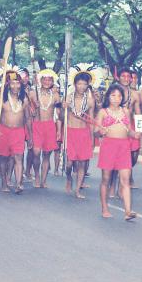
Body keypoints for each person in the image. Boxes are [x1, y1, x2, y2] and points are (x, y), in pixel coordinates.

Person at [94, 84, 140, 220]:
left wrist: (135, 134)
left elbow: (129, 130)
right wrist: (100, 131)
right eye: (113, 95)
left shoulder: (126, 111)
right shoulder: (103, 112)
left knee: (125, 179)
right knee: (106, 179)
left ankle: (128, 211)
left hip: (124, 147)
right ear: (108, 96)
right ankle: (104, 208)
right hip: (108, 146)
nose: (116, 98)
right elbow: (95, 132)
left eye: (119, 95)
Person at [0, 70, 33, 194]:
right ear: (8, 85)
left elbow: (27, 118)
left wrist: (30, 136)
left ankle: (19, 183)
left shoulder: (24, 100)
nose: (15, 86)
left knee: (18, 157)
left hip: (18, 132)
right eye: (12, 83)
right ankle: (4, 183)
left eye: (17, 83)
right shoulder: (2, 99)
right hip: (3, 131)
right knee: (3, 159)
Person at [64, 71, 96, 199]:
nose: (82, 86)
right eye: (79, 84)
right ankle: (68, 178)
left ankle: (77, 190)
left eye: (84, 84)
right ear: (75, 84)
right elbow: (62, 116)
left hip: (84, 133)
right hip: (71, 131)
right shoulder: (68, 98)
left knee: (82, 163)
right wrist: (64, 107)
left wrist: (92, 138)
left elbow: (92, 120)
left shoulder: (90, 101)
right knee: (69, 164)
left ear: (87, 85)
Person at [29, 69, 62, 188]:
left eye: (49, 80)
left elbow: (59, 115)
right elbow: (28, 111)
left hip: (50, 126)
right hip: (37, 125)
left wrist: (58, 131)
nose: (47, 82)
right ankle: (37, 175)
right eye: (45, 79)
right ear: (40, 80)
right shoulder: (33, 93)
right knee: (36, 152)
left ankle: (43, 179)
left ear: (52, 81)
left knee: (47, 154)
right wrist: (33, 107)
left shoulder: (56, 95)